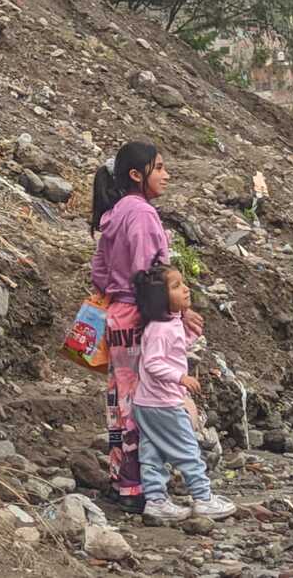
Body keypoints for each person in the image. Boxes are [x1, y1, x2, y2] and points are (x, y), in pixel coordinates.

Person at [90, 141, 203, 514]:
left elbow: (100, 273)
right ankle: (145, 489)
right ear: (137, 175)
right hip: (140, 317)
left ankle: (127, 480)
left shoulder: (115, 213)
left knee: (122, 399)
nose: (166, 175)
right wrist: (176, 312)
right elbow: (147, 278)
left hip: (117, 315)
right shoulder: (142, 215)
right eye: (159, 168)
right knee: (145, 400)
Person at [131, 264, 235, 521]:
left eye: (183, 283)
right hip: (164, 403)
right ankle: (203, 498)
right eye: (176, 286)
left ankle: (155, 501)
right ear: (160, 298)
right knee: (188, 450)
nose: (186, 289)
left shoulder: (169, 322)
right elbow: (153, 363)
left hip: (146, 402)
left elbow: (172, 352)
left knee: (152, 452)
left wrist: (189, 337)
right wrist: (181, 377)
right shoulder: (160, 328)